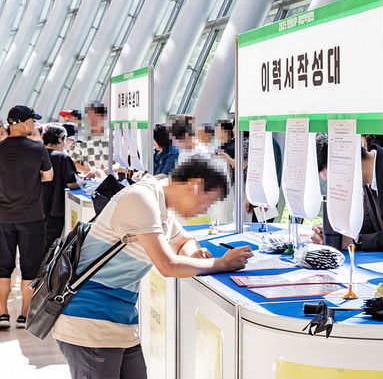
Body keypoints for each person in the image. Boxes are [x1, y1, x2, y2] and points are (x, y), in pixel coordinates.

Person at [53, 156, 252, 379]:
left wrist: (194, 254)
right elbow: (168, 266)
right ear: (195, 186)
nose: (205, 210)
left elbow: (184, 240)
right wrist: (222, 263)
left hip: (119, 322)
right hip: (90, 321)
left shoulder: (158, 202)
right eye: (209, 201)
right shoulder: (141, 199)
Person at [0, 105, 53, 329]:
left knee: (2, 268)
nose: (34, 124)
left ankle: (2, 314)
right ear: (24, 123)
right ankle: (24, 315)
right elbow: (48, 176)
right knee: (30, 268)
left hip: (2, 217)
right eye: (33, 120)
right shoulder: (37, 148)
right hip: (31, 217)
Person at [42, 124, 81, 249]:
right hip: (54, 208)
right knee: (48, 245)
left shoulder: (35, 154)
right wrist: (82, 182)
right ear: (60, 139)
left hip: (33, 207)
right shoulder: (62, 157)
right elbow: (72, 184)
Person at [70, 102, 110, 175]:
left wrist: (112, 168)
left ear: (103, 116)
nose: (91, 119)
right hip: (91, 180)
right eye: (89, 116)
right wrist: (87, 170)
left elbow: (123, 160)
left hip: (114, 178)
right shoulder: (80, 139)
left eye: (95, 115)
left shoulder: (113, 136)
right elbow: (71, 161)